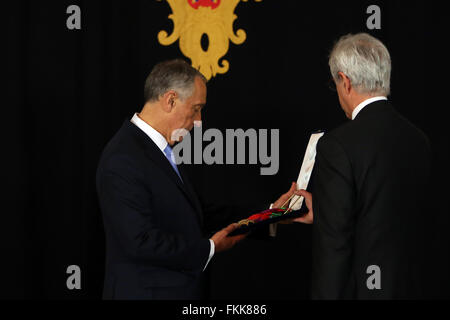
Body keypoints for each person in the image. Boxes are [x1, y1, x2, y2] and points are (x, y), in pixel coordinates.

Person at [96, 59, 310, 300]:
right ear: (170, 100)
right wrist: (209, 248)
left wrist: (271, 213)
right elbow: (140, 242)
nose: (199, 122)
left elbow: (198, 215)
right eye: (196, 109)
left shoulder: (157, 151)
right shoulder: (123, 157)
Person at [311, 33, 432, 299]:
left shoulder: (337, 145)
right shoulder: (419, 140)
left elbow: (335, 249)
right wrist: (323, 207)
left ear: (345, 81)